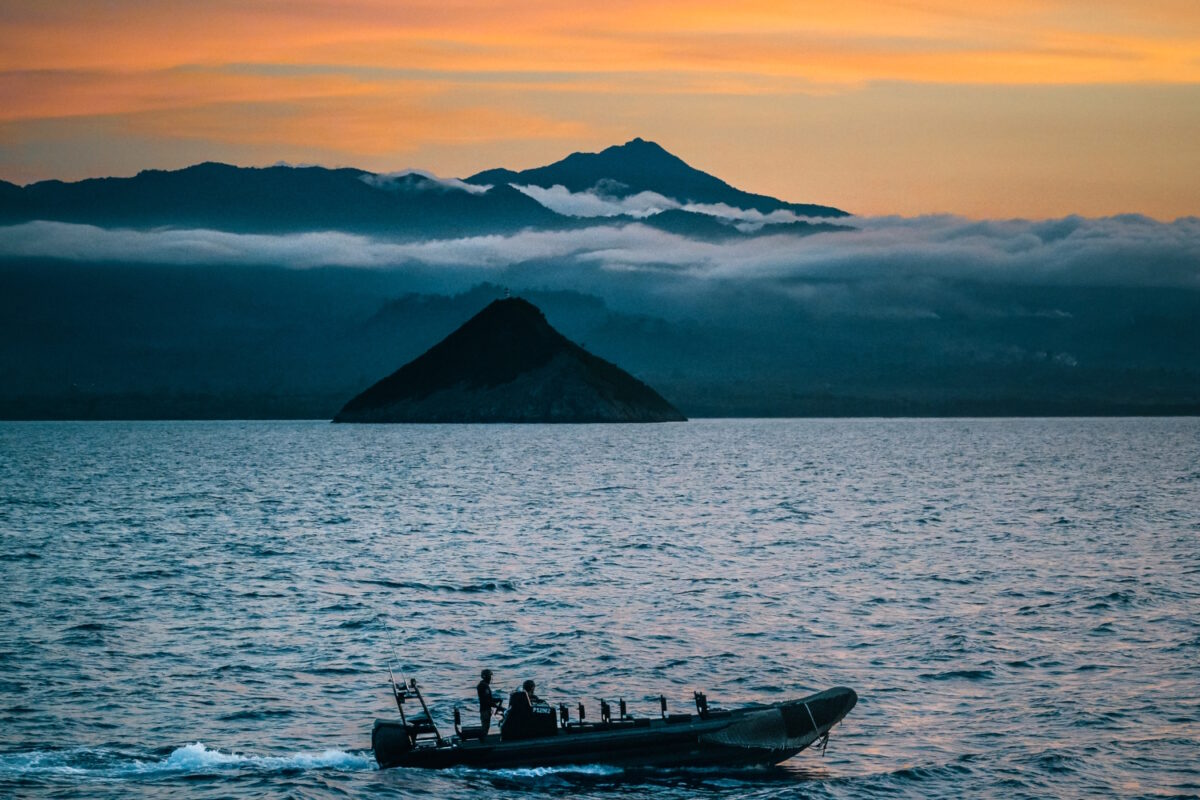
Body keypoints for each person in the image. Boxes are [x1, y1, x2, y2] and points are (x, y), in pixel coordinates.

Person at [476, 669, 503, 735]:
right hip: (485, 710)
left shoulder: (484, 685)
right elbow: (486, 701)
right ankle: (482, 743)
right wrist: (496, 706)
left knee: (486, 728)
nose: (491, 677)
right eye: (490, 675)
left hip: (486, 710)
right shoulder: (483, 686)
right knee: (485, 728)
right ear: (486, 676)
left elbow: (488, 699)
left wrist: (498, 700)